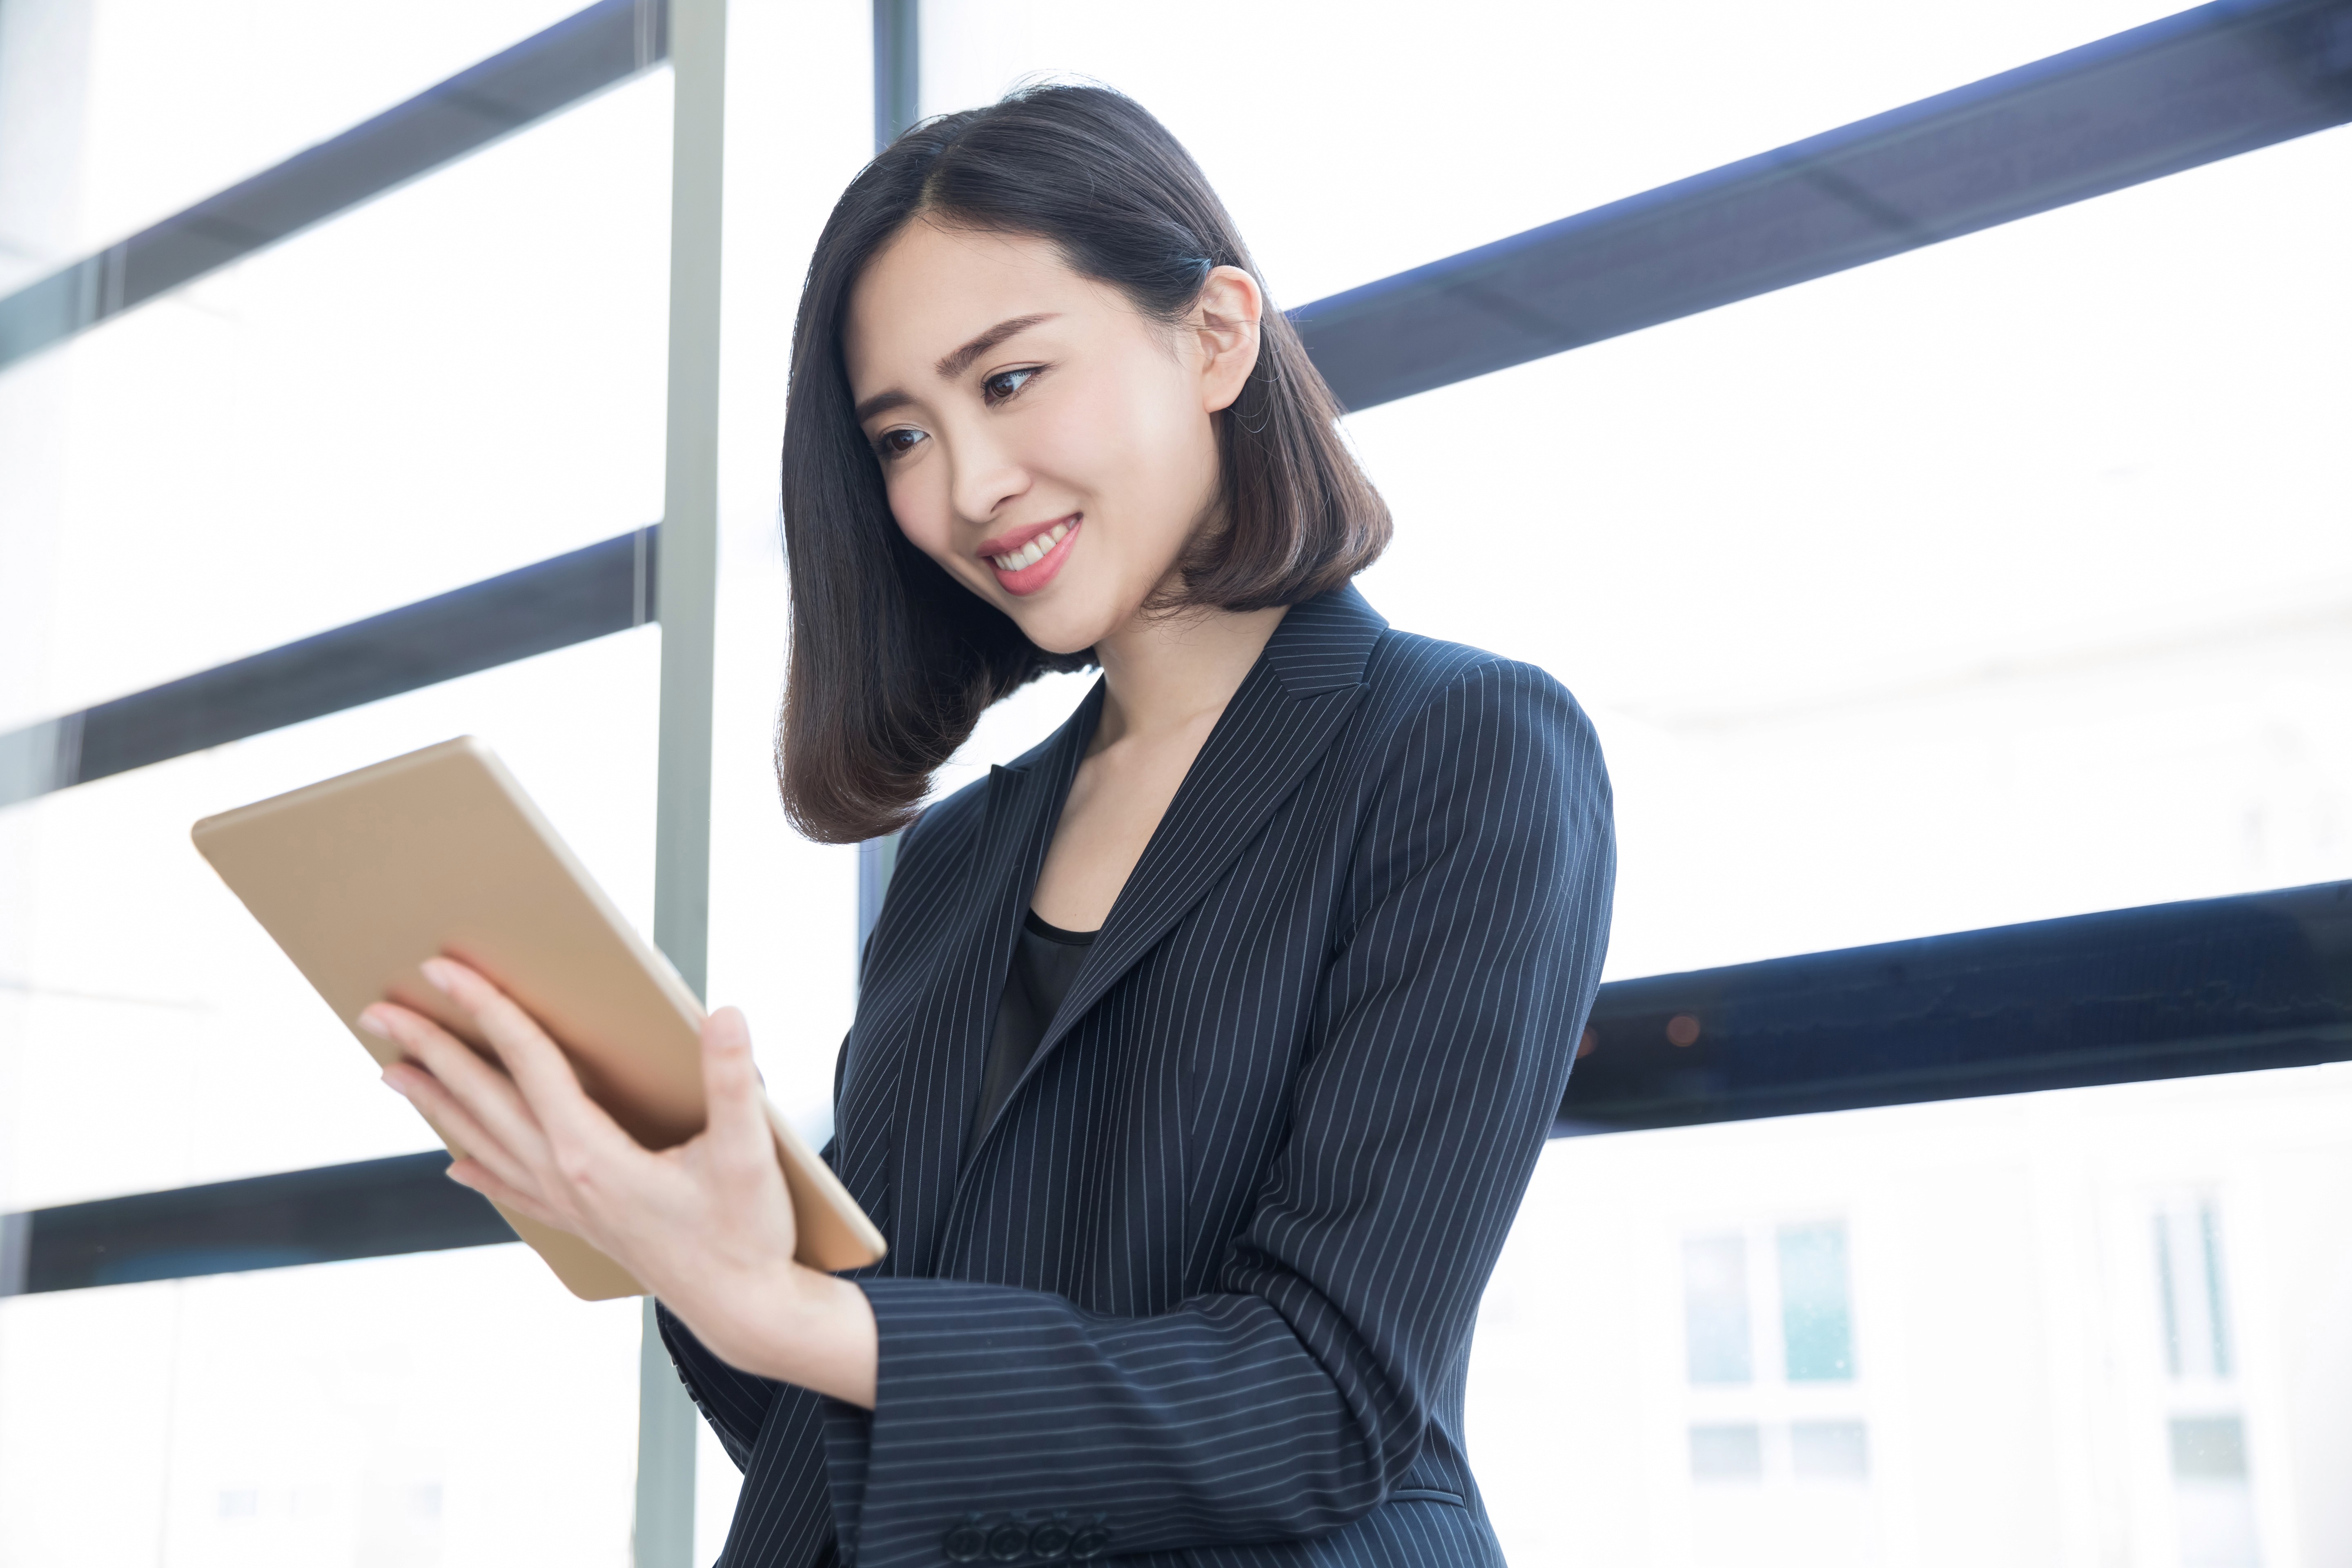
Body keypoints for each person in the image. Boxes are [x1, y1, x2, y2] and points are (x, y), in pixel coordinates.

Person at [364, 85, 1614, 1568]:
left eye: (1009, 382)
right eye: (900, 436)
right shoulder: (960, 859)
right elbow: (862, 1432)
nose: (965, 485)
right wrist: (674, 1247)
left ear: (1215, 334)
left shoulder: (1462, 751)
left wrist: (796, 1308)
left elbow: (1318, 1400)